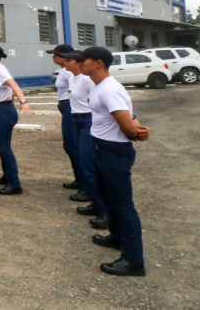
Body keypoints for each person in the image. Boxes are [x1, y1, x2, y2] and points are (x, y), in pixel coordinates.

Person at [77, 46, 150, 277]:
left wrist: (135, 132)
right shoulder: (101, 87)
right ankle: (117, 238)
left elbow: (128, 127)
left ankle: (133, 261)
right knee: (110, 199)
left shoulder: (108, 89)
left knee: (123, 206)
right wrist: (135, 127)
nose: (80, 63)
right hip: (103, 148)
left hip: (114, 151)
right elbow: (129, 116)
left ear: (98, 63)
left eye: (84, 60)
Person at [60, 52, 110, 230]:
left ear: (79, 64)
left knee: (89, 166)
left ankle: (105, 212)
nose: (65, 63)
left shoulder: (87, 80)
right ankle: (96, 204)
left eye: (69, 60)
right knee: (83, 161)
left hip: (88, 122)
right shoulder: (72, 79)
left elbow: (98, 102)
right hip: (76, 121)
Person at [0, 45, 33, 195]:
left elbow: (13, 84)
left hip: (5, 110)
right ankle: (7, 175)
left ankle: (14, 184)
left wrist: (23, 101)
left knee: (4, 146)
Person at [48, 44, 85, 198]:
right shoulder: (65, 71)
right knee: (70, 146)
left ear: (62, 56)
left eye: (55, 55)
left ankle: (85, 184)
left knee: (74, 146)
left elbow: (78, 91)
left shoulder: (69, 74)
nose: (53, 58)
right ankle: (80, 179)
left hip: (71, 109)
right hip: (66, 108)